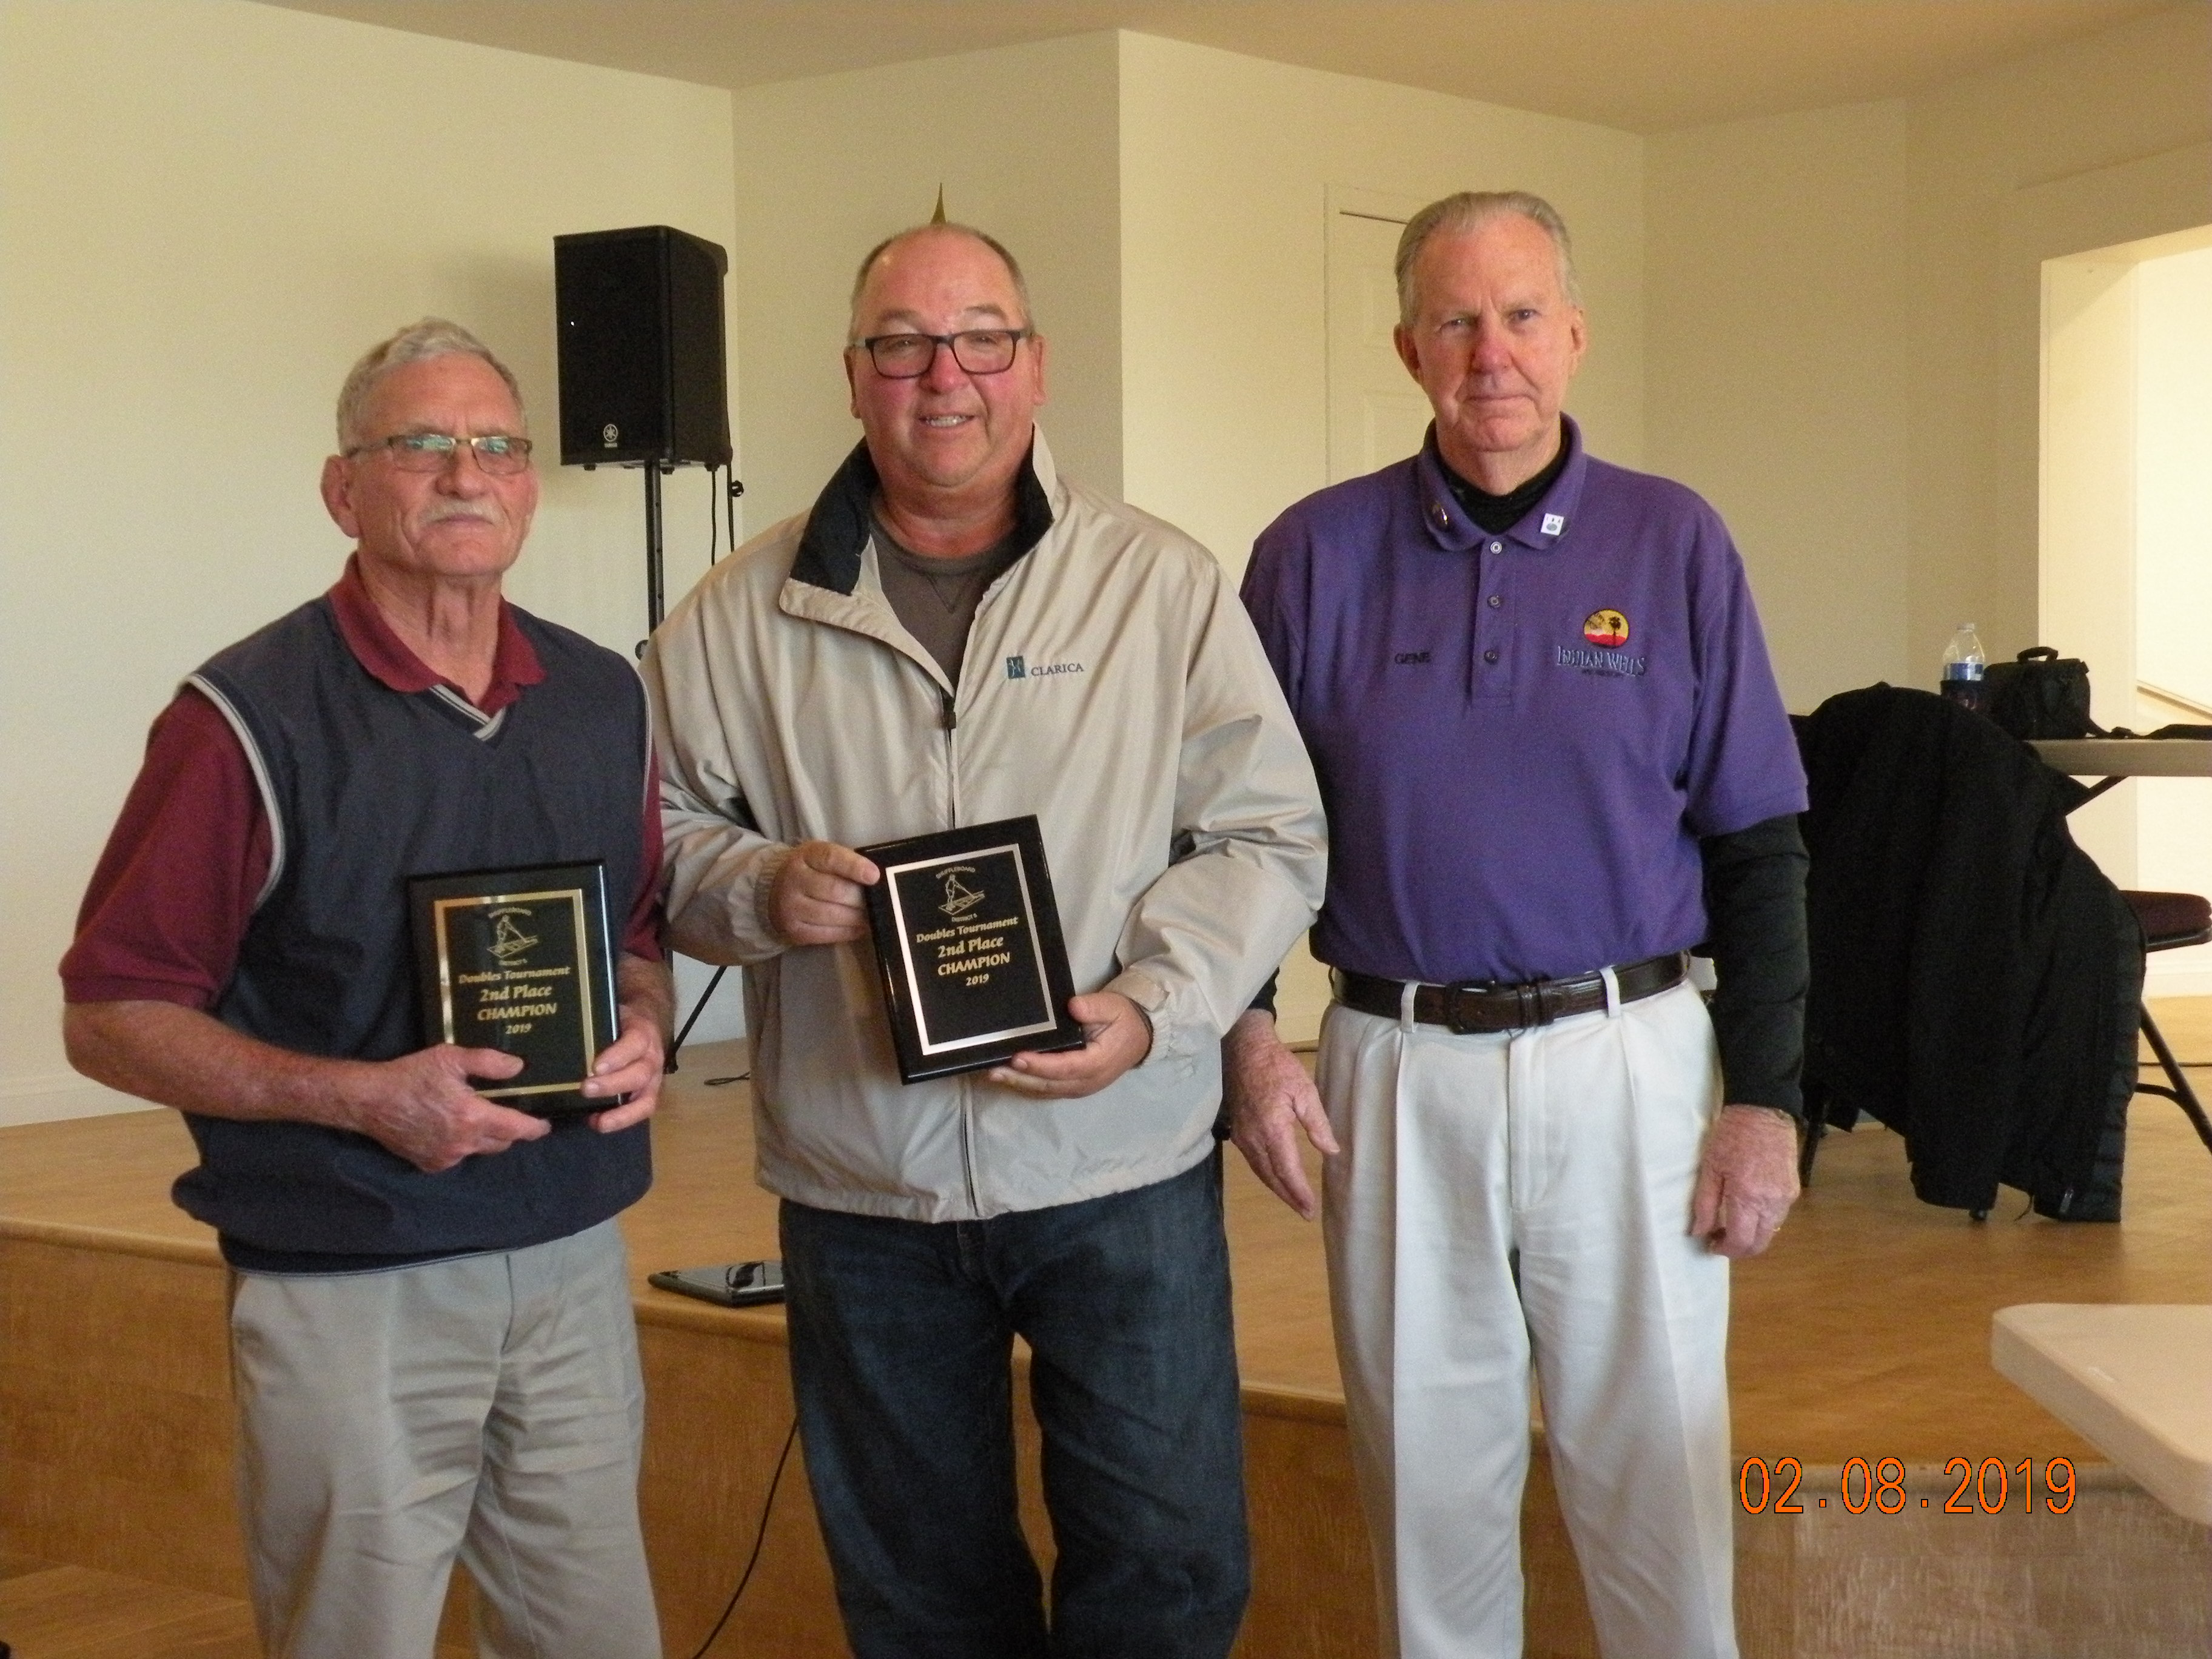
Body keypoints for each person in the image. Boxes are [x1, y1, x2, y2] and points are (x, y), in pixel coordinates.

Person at [645, 222, 1326, 1659]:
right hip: (864, 1191)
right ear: (852, 376)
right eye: (900, 342)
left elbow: (1268, 834)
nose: (941, 375)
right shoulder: (733, 614)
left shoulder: (1160, 586)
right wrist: (762, 889)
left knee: (1169, 1564)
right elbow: (659, 845)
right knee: (917, 1595)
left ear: (1036, 367)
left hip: (1117, 1164)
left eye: (981, 339)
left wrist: (1152, 1009)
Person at [1228, 192, 1809, 1659]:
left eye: (1523, 315)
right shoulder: (1307, 558)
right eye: (1457, 320)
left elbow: (1759, 845)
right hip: (1391, 1066)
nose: (1493, 353)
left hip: (1630, 1062)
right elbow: (1227, 839)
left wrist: (1770, 1105)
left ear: (1576, 334)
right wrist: (1245, 1034)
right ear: (1408, 346)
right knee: (1429, 1487)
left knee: (1660, 1480)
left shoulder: (1676, 542)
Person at [61, 319, 669, 1659]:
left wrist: (639, 1024)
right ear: (346, 489)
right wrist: (359, 1100)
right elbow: (110, 1012)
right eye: (422, 445)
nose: (468, 472)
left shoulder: (601, 696)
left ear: (528, 483)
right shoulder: (243, 718)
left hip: (571, 1259)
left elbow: (632, 930)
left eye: (498, 446)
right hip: (352, 1276)